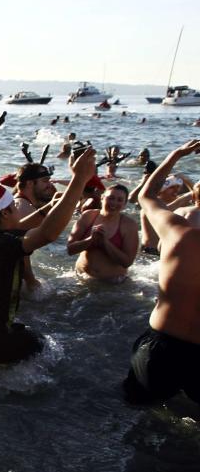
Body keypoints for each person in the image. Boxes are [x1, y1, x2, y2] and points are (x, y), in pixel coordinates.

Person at [0, 148, 97, 372]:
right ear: (4, 214)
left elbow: (20, 227)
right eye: (13, 207)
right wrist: (79, 179)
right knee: (45, 346)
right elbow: (47, 234)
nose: (17, 210)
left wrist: (49, 207)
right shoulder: (3, 244)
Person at [124, 139, 200, 404]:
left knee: (137, 415)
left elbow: (146, 195)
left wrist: (176, 155)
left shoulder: (176, 229)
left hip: (162, 345)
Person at [67, 184, 138, 283]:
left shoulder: (129, 225)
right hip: (81, 278)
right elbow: (70, 249)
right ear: (102, 198)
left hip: (112, 284)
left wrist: (105, 242)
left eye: (120, 200)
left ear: (125, 204)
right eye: (111, 198)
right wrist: (90, 239)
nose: (114, 203)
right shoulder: (88, 216)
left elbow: (127, 262)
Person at [10, 162, 58, 290]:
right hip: (11, 279)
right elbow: (19, 251)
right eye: (45, 181)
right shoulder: (22, 207)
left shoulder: (23, 203)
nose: (50, 185)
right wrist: (31, 281)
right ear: (30, 183)